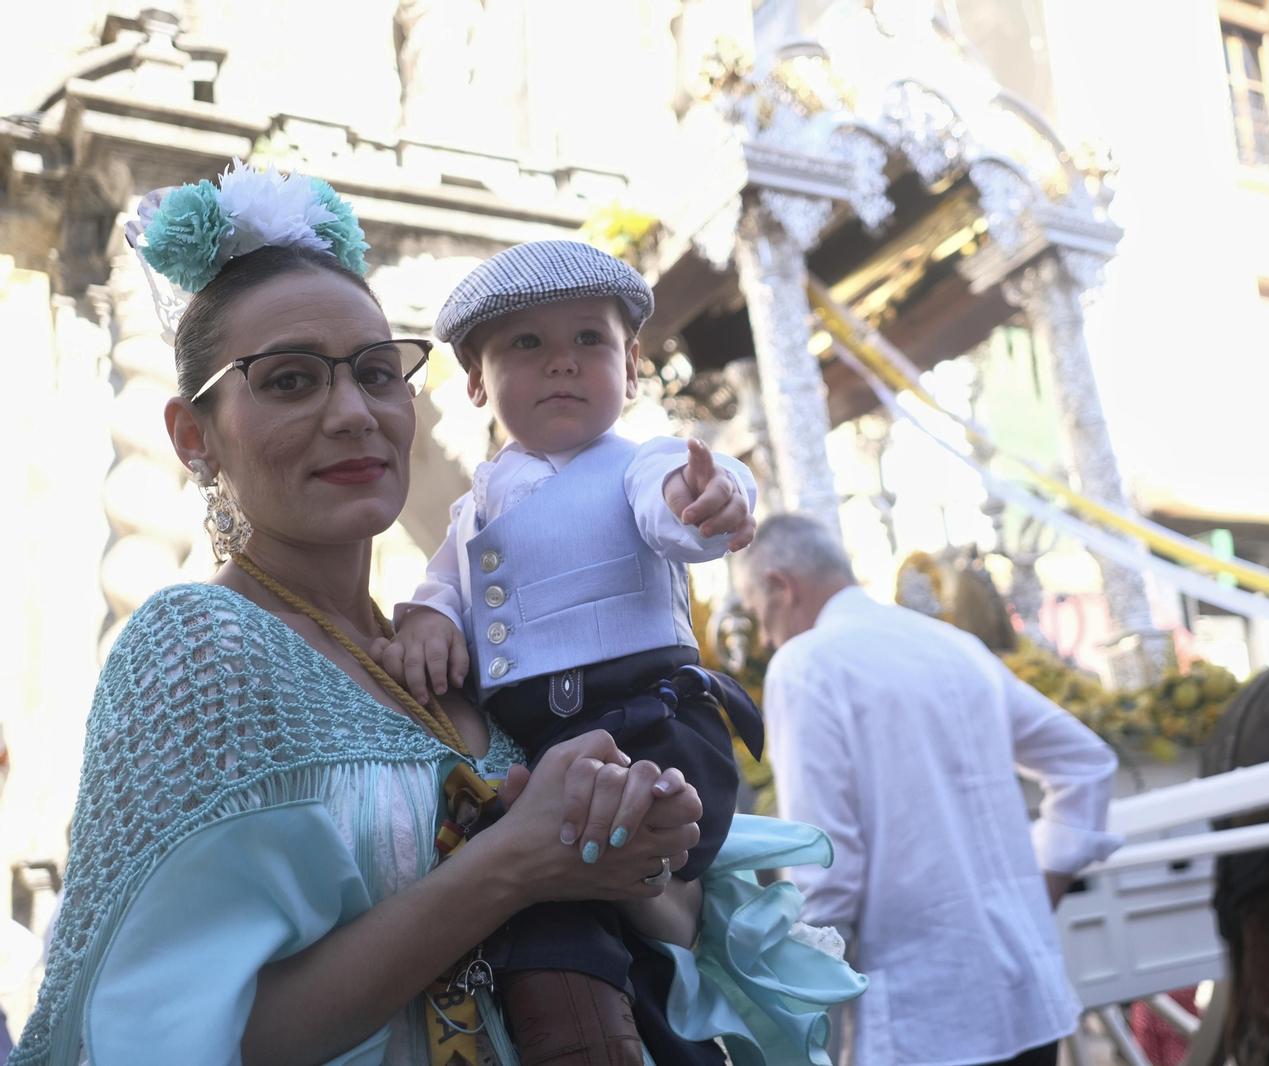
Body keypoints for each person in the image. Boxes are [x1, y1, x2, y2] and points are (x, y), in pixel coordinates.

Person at [12, 167, 861, 1066]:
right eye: (290, 380)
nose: (354, 413)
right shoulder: (200, 647)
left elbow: (676, 925)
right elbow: (179, 1036)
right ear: (195, 435)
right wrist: (511, 865)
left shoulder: (452, 661)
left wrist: (636, 831)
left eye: (378, 373)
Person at [377, 240, 764, 1064]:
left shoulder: (642, 464)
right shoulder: (476, 504)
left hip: (649, 732)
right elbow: (445, 582)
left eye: (590, 339)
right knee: (565, 921)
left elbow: (674, 503)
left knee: (605, 890)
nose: (562, 362)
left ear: (632, 365)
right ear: (475, 381)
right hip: (545, 752)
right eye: (527, 343)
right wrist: (427, 622)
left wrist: (706, 500)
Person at [733, 514, 1124, 1066]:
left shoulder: (805, 665)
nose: (766, 637)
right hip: (1029, 999)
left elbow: (824, 872)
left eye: (758, 616)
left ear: (781, 585)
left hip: (927, 1016)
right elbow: (1087, 764)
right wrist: (1039, 895)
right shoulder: (956, 646)